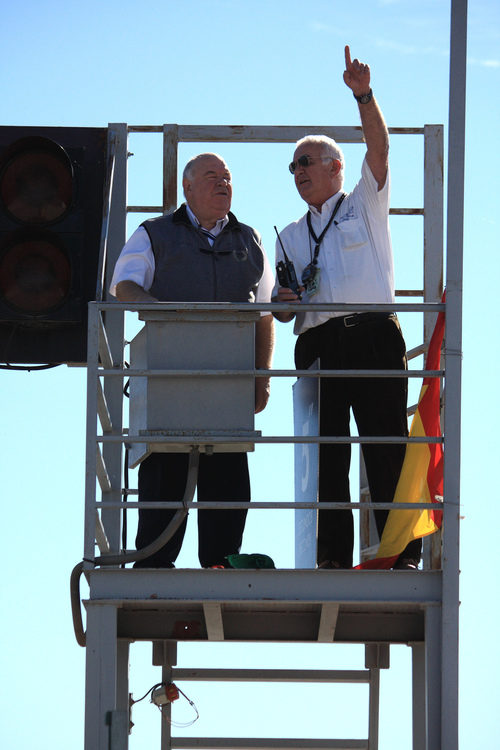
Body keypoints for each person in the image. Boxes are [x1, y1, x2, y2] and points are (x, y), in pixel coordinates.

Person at [272, 46, 421, 570]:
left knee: (385, 447)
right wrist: (281, 303)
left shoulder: (364, 201)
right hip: (318, 344)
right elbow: (283, 311)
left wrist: (364, 95)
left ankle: (400, 553)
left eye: (307, 162)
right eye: (293, 167)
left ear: (337, 166)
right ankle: (331, 558)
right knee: (327, 454)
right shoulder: (288, 236)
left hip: (373, 334)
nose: (298, 172)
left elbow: (380, 148)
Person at [110, 152, 275, 568]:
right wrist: (169, 317)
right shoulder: (154, 233)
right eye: (211, 176)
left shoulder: (250, 239)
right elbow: (124, 286)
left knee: (230, 479)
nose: (223, 184)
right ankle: (154, 563)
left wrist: (263, 377)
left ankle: (221, 563)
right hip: (170, 379)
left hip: (230, 384)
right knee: (165, 472)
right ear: (187, 187)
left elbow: (266, 312)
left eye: (228, 176)